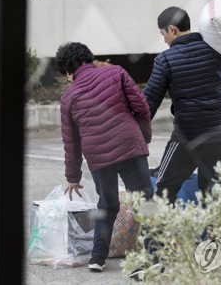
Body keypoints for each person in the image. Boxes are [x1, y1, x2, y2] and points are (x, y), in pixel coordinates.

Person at [55, 42, 153, 273]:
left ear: (68, 71)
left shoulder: (68, 97)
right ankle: (151, 256)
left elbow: (71, 142)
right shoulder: (116, 72)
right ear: (89, 58)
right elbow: (141, 106)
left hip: (98, 157)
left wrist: (73, 176)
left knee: (107, 205)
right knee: (145, 201)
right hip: (129, 146)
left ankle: (97, 258)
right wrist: (142, 137)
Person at [143, 6, 221, 204]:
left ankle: (162, 235)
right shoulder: (215, 47)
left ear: (172, 29)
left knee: (164, 188)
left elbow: (149, 102)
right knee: (212, 191)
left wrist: (138, 133)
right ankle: (216, 236)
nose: (164, 40)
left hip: (189, 135)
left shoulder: (165, 59)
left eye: (163, 34)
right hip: (220, 131)